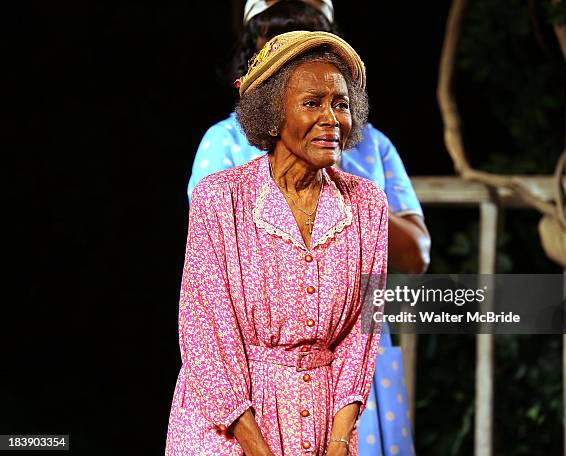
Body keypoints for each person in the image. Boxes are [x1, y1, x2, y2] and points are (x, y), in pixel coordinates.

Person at [166, 31, 387, 455]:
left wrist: (340, 440)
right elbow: (205, 332)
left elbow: (364, 330)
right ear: (271, 115)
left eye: (340, 104)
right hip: (228, 428)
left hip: (322, 425)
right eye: (312, 103)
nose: (331, 118)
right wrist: (256, 446)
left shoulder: (367, 204)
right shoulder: (221, 198)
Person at [188, 0, 430, 275]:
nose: (298, 50)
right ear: (254, 56)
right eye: (281, 39)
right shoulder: (224, 143)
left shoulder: (371, 148)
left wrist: (342, 185)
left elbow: (416, 260)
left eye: (310, 37)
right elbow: (213, 264)